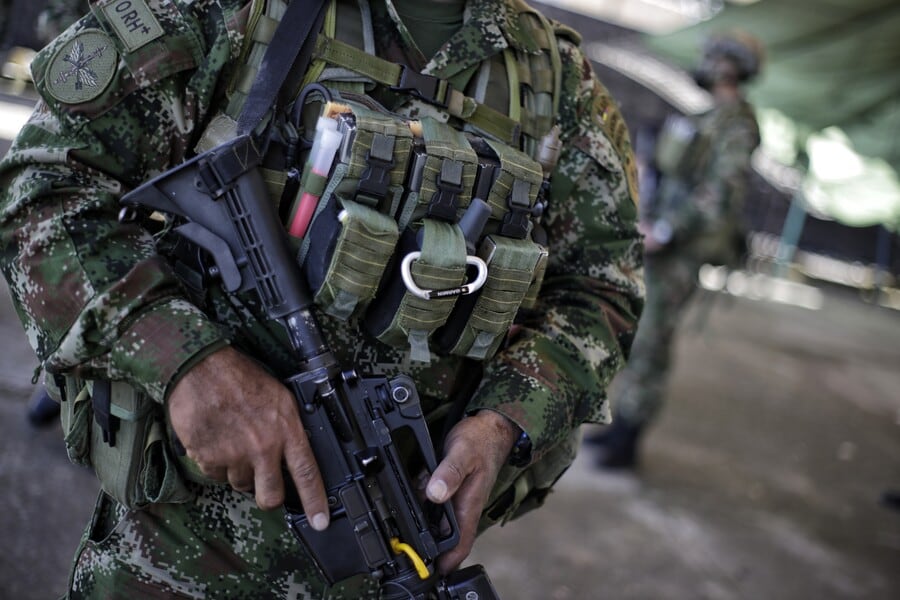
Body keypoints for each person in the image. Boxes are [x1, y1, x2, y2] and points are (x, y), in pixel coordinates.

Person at [0, 0, 643, 597]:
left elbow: (602, 288)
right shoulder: (241, 9)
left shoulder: (555, 79)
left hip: (395, 545)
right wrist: (188, 364)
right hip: (181, 555)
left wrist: (506, 421)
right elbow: (42, 184)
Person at [588, 30, 763, 470]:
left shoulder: (737, 124)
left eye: (712, 57)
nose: (704, 63)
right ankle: (620, 422)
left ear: (728, 66)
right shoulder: (713, 116)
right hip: (664, 243)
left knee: (651, 342)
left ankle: (628, 439)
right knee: (637, 334)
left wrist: (666, 228)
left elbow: (720, 193)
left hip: (679, 250)